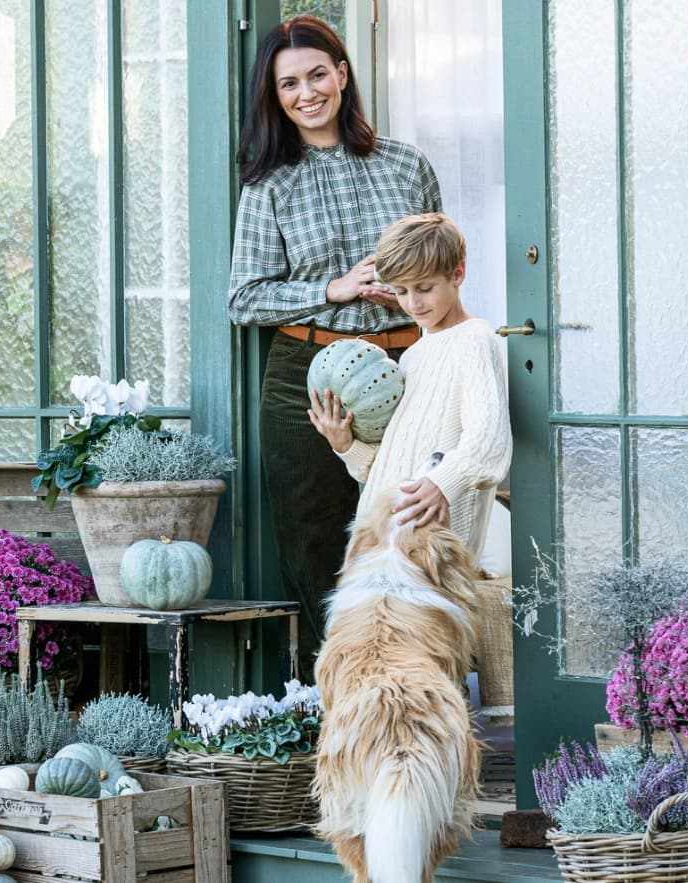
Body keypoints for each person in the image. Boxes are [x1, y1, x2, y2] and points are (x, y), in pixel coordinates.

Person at [227, 14, 441, 662]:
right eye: (289, 83)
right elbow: (243, 297)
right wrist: (331, 289)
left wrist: (405, 290)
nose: (306, 92)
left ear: (343, 75)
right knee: (315, 541)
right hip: (306, 375)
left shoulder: (407, 166)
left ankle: (420, 686)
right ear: (275, 95)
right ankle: (345, 694)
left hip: (407, 366)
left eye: (318, 73)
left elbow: (443, 267)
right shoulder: (268, 185)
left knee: (411, 532)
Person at [308, 212, 512, 558]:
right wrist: (346, 446)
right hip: (381, 541)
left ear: (457, 274)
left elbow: (488, 442)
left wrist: (442, 483)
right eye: (401, 291)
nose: (413, 303)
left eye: (424, 288)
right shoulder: (412, 357)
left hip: (433, 548)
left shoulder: (475, 340)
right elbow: (387, 465)